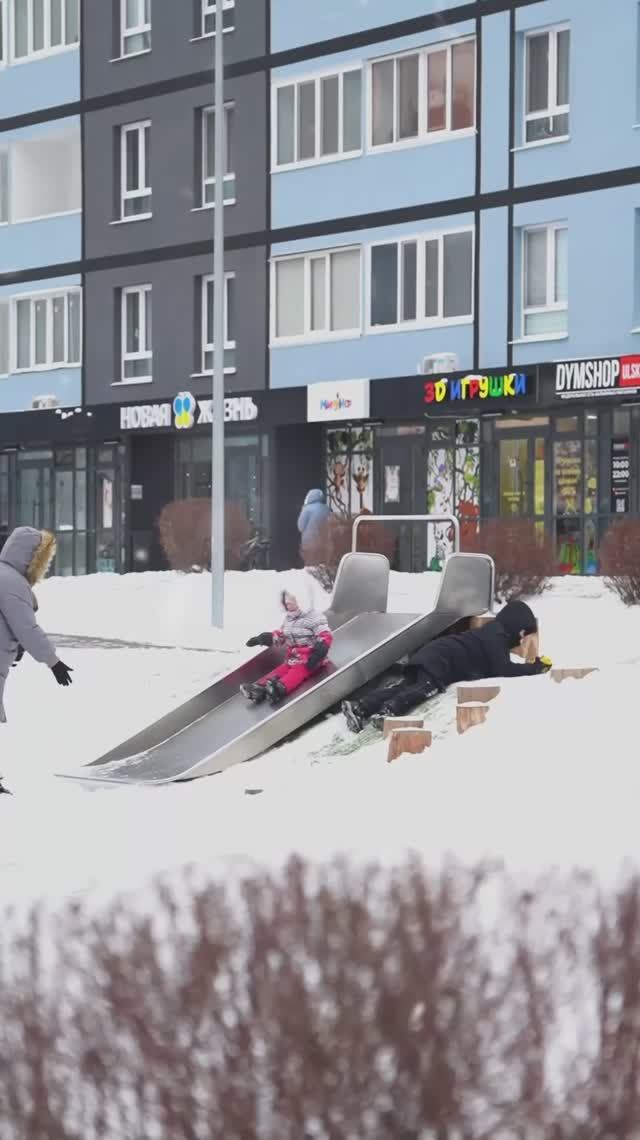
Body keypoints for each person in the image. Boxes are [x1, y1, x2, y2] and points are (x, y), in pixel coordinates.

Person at [342, 599, 551, 733]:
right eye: (524, 636)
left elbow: (497, 666)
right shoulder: (496, 637)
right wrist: (534, 668)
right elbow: (504, 670)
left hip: (436, 653)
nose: (522, 641)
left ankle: (361, 707)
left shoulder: (493, 633)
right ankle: (389, 711)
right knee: (425, 688)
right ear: (519, 631)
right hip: (442, 659)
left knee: (404, 685)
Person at [0, 527, 73, 725]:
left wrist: (15, 646)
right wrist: (53, 662)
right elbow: (27, 629)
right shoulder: (13, 583)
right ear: (32, 559)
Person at [242, 580, 333, 706]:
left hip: (311, 659)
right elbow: (282, 635)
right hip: (293, 658)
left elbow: (325, 635)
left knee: (297, 672)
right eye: (286, 600)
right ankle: (259, 688)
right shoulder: (289, 619)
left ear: (302, 599)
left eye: (290, 599)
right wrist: (264, 638)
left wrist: (319, 652)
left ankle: (280, 688)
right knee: (281, 670)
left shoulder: (314, 617)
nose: (287, 602)